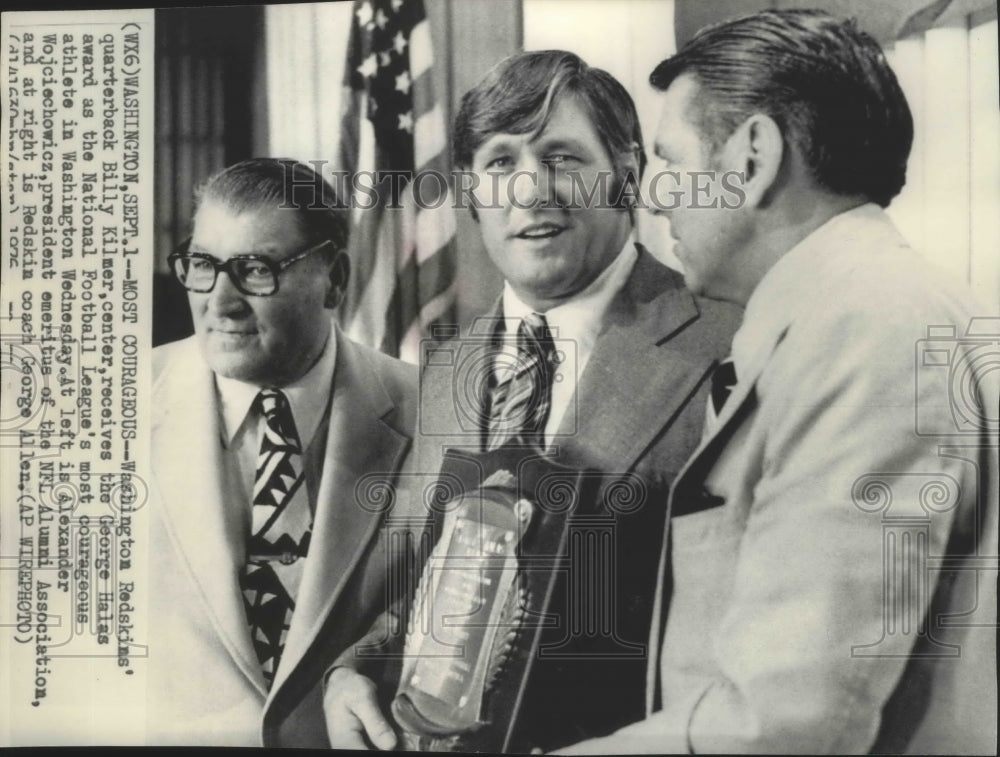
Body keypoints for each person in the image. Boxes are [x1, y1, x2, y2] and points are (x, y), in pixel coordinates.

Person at [554, 10, 999, 754]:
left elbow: (788, 719)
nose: (655, 196)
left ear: (752, 157)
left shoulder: (865, 326)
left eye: (670, 160)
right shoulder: (875, 307)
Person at [323, 50, 741, 752]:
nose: (531, 191)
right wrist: (353, 670)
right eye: (500, 163)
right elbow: (434, 580)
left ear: (628, 173)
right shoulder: (450, 364)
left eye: (564, 158)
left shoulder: (729, 341)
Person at [147, 158, 420, 746]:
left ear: (336, 279)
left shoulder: (436, 416)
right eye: (202, 265)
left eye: (255, 269)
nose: (220, 302)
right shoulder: (103, 410)